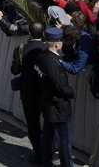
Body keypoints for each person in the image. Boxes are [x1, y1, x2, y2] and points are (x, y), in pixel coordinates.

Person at [33, 27, 76, 167]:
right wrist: (72, 92)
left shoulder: (41, 57)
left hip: (48, 104)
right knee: (64, 142)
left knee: (47, 137)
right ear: (57, 43)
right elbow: (60, 87)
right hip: (58, 108)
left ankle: (45, 163)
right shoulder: (54, 63)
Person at [10, 22, 46, 165]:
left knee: (33, 125)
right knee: (49, 124)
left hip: (28, 94)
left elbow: (14, 71)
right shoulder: (47, 49)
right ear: (43, 34)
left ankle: (37, 154)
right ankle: (47, 151)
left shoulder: (21, 50)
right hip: (45, 93)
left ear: (29, 33)